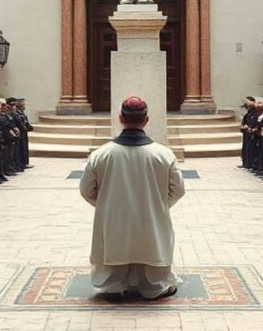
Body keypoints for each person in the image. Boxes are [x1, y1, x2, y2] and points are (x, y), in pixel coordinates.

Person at [79, 96, 185, 301]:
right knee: (151, 247)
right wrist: (160, 204)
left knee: (114, 246)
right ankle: (153, 287)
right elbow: (178, 189)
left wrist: (106, 204)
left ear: (120, 118)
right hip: (151, 216)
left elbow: (85, 189)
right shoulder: (163, 154)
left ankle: (112, 286)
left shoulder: (101, 154)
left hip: (113, 216)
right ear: (146, 120)